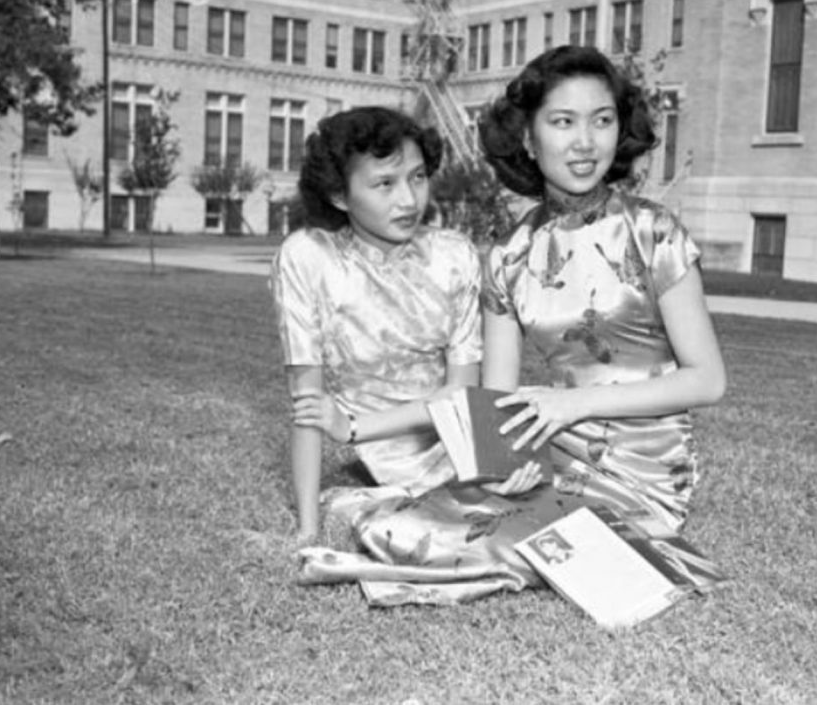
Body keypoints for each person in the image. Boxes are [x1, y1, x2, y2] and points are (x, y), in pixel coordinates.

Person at [270, 106, 543, 606]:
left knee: (543, 502)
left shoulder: (453, 255)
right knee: (393, 533)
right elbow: (308, 407)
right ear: (338, 194)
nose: (409, 199)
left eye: (417, 177)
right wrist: (307, 529)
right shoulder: (307, 257)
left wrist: (495, 464)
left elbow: (462, 393)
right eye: (385, 184)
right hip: (384, 473)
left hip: (457, 445)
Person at [478, 45, 727, 537]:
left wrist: (574, 404)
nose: (585, 142)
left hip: (645, 475)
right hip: (551, 456)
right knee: (428, 528)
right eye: (563, 122)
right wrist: (505, 469)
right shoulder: (507, 256)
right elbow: (498, 402)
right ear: (528, 138)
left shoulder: (654, 232)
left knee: (518, 547)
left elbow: (708, 381)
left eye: (602, 120)